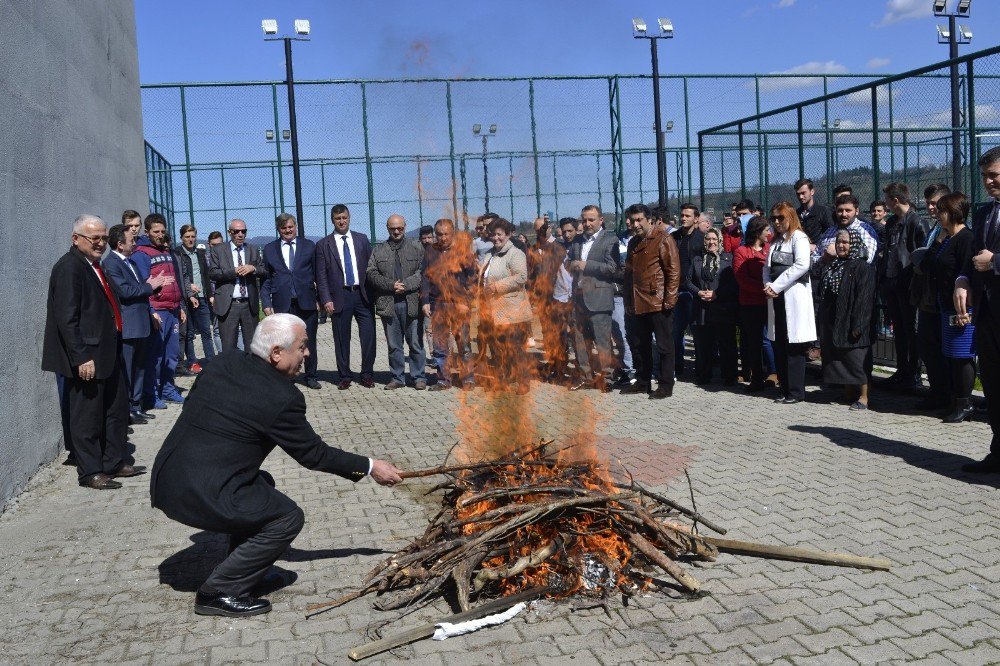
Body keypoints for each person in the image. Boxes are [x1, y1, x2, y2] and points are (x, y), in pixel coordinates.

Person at [150, 314, 404, 617]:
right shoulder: (281, 397)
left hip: (168, 478)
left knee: (263, 485)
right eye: (303, 347)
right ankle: (218, 591)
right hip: (197, 491)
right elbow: (314, 454)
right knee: (287, 517)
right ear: (276, 354)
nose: (307, 354)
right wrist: (371, 466)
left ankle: (247, 571)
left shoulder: (224, 361)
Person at [42, 215, 140, 490]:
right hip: (88, 356)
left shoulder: (94, 265)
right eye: (94, 238)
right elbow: (67, 318)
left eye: (103, 237)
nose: (100, 243)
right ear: (76, 239)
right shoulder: (69, 268)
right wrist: (81, 356)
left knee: (115, 409)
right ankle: (90, 472)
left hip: (108, 352)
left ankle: (112, 462)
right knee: (87, 417)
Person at [954, 147, 1000, 473]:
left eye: (994, 175)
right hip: (987, 314)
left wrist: (995, 262)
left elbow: (988, 259)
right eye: (985, 176)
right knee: (994, 386)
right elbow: (974, 257)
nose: (988, 181)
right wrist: (962, 279)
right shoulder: (984, 213)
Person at [103, 223, 171, 425]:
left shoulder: (130, 262)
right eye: (131, 240)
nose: (134, 242)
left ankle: (136, 406)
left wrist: (152, 286)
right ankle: (126, 412)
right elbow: (125, 292)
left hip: (141, 324)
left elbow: (141, 287)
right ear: (119, 243)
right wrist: (150, 285)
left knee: (140, 367)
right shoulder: (112, 264)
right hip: (129, 326)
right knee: (128, 370)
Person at [922, 192, 976, 423]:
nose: (937, 214)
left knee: (962, 355)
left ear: (953, 212)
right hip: (945, 304)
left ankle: (965, 402)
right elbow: (928, 265)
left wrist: (965, 310)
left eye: (942, 210)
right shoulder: (947, 238)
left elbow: (967, 273)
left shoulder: (966, 239)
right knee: (951, 355)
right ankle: (955, 400)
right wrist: (938, 239)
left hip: (962, 308)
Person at [621, 203, 679, 399]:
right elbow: (629, 275)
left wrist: (669, 300)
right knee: (640, 344)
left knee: (664, 346)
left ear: (649, 219)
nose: (635, 224)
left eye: (639, 220)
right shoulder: (632, 243)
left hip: (658, 301)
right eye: (632, 220)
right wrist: (628, 300)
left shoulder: (663, 239)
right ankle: (643, 380)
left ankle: (665, 385)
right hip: (638, 302)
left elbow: (673, 271)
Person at [316, 204, 376, 390]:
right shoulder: (323, 244)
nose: (341, 221)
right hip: (339, 297)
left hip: (362, 295)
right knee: (341, 338)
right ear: (332, 220)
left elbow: (371, 268)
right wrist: (326, 299)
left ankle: (366, 374)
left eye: (344, 217)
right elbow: (321, 276)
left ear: (349, 218)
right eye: (337, 218)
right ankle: (344, 375)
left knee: (369, 336)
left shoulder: (362, 240)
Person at [132, 213, 187, 407]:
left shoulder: (167, 252)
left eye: (163, 231)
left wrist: (179, 306)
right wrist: (151, 310)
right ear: (147, 232)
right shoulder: (142, 254)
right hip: (157, 312)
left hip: (172, 311)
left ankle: (168, 389)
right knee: (155, 356)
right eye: (156, 231)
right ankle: (151, 394)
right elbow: (141, 285)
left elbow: (176, 282)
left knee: (171, 354)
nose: (160, 234)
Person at [818, 229, 876, 410]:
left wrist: (858, 324)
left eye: (845, 242)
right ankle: (848, 392)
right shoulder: (834, 264)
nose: (841, 246)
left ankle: (864, 397)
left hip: (853, 321)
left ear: (855, 244)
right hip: (834, 320)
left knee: (857, 360)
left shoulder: (862, 267)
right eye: (839, 242)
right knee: (840, 357)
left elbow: (865, 298)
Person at [261, 213, 320, 390]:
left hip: (307, 301)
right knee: (286, 342)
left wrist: (319, 299)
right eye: (284, 228)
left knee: (309, 340)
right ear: (279, 230)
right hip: (283, 302)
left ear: (295, 227)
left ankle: (311, 375)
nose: (288, 230)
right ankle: (288, 375)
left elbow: (318, 275)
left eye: (290, 227)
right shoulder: (270, 249)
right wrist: (266, 302)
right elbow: (266, 279)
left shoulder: (309, 246)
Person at [367, 214, 426, 390]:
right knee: (394, 345)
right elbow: (371, 272)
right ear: (387, 228)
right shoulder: (378, 250)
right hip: (389, 303)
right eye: (393, 228)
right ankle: (397, 378)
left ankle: (418, 377)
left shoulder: (416, 248)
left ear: (405, 227)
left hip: (412, 302)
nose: (396, 231)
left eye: (399, 228)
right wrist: (391, 285)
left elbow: (423, 271)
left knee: (415, 343)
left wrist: (406, 285)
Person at [765, 202, 816, 405]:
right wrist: (767, 285)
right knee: (779, 344)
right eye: (774, 219)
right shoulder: (775, 241)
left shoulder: (799, 238)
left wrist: (776, 286)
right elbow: (766, 268)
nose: (777, 222)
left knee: (793, 347)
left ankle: (795, 392)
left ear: (790, 218)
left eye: (781, 218)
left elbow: (802, 264)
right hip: (777, 299)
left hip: (792, 298)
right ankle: (784, 389)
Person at [880, 182, 930, 390]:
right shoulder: (892, 223)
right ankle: (902, 371)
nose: (886, 205)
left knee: (911, 330)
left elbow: (922, 254)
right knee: (899, 329)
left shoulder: (917, 222)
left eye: (887, 201)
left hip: (909, 283)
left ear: (895, 200)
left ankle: (914, 374)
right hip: (893, 282)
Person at [568, 205, 620, 392]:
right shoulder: (577, 241)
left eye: (591, 220)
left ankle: (607, 377)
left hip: (599, 298)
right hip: (579, 299)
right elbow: (570, 263)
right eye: (584, 220)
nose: (587, 223)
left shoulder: (610, 239)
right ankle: (585, 376)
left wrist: (586, 265)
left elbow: (613, 268)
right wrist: (571, 265)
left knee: (603, 341)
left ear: (601, 220)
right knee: (580, 341)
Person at [479, 218, 534, 393]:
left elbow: (520, 278)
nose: (496, 238)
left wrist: (495, 287)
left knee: (516, 349)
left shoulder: (516, 254)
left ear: (508, 234)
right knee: (499, 349)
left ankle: (523, 381)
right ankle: (504, 379)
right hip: (493, 310)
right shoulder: (489, 254)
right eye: (493, 234)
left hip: (512, 310)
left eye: (499, 234)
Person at [422, 218, 477, 390]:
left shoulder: (463, 251)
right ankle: (443, 380)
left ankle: (467, 378)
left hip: (459, 304)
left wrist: (468, 301)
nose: (443, 238)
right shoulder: (430, 251)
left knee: (464, 343)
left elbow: (472, 278)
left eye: (446, 234)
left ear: (452, 233)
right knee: (440, 345)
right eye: (439, 234)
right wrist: (424, 301)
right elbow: (424, 277)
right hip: (438, 304)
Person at [912, 184, 952, 411]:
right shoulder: (935, 228)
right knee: (927, 346)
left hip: (942, 299)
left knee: (942, 348)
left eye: (935, 203)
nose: (930, 207)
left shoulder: (953, 230)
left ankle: (949, 394)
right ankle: (936, 391)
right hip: (927, 298)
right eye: (928, 203)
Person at [687, 228, 739, 386]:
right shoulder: (697, 259)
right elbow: (688, 281)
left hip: (722, 308)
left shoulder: (728, 259)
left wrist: (717, 293)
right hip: (702, 309)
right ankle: (704, 375)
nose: (711, 242)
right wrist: (698, 292)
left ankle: (729, 376)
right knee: (703, 345)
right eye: (708, 239)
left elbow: (733, 284)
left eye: (714, 240)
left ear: (720, 241)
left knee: (726, 344)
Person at [209, 218, 264, 352]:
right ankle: (231, 373)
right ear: (229, 232)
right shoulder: (218, 250)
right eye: (236, 231)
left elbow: (263, 270)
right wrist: (233, 272)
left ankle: (250, 372)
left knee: (252, 346)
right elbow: (212, 273)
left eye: (243, 231)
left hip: (249, 304)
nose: (240, 234)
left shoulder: (252, 249)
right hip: (229, 305)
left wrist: (253, 268)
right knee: (228, 346)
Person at [527, 216, 569, 381]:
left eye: (543, 228)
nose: (541, 231)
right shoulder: (533, 248)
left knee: (560, 333)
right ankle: (552, 364)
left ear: (550, 228)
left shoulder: (559, 247)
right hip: (543, 299)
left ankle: (561, 368)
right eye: (538, 229)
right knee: (547, 333)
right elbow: (531, 274)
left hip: (559, 297)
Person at [734, 216, 773, 392]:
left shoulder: (769, 249)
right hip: (751, 304)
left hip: (770, 302)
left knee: (770, 339)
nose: (769, 233)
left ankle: (774, 373)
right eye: (766, 230)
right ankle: (756, 378)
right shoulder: (741, 252)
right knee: (754, 342)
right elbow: (742, 280)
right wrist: (764, 289)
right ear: (758, 231)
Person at [174, 224, 216, 373]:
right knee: (189, 333)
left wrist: (210, 295)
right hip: (186, 299)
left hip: (203, 298)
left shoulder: (200, 253)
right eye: (187, 237)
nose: (190, 239)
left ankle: (211, 361)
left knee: (206, 331)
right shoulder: (177, 254)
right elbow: (178, 276)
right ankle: (192, 362)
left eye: (193, 236)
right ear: (181, 238)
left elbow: (206, 275)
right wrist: (188, 286)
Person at [670, 203, 705, 377]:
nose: (683, 218)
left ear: (696, 219)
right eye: (682, 215)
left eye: (688, 216)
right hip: (676, 291)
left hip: (694, 293)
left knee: (697, 332)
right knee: (675, 332)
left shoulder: (702, 238)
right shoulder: (673, 237)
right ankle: (677, 367)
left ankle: (701, 369)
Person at [794, 178, 834, 246]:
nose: (800, 197)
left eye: (803, 193)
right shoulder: (795, 214)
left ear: (812, 191)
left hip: (818, 254)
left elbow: (831, 235)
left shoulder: (824, 211)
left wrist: (817, 247)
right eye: (798, 194)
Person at [206, 231, 225, 351]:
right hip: (213, 297)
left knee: (236, 329)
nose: (217, 247)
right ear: (209, 245)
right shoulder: (205, 259)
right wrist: (211, 295)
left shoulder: (228, 257)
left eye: (219, 244)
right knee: (217, 329)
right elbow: (205, 279)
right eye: (214, 245)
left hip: (227, 296)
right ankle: (222, 355)